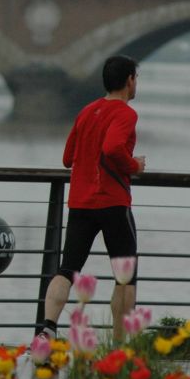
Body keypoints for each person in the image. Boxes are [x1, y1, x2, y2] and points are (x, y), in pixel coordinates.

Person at [36, 55, 146, 344]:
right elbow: (112, 148)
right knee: (126, 276)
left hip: (81, 203)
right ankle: (119, 346)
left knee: (67, 268)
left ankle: (47, 327)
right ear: (130, 81)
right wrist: (134, 165)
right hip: (112, 202)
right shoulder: (125, 113)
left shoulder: (87, 111)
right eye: (136, 79)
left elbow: (67, 158)